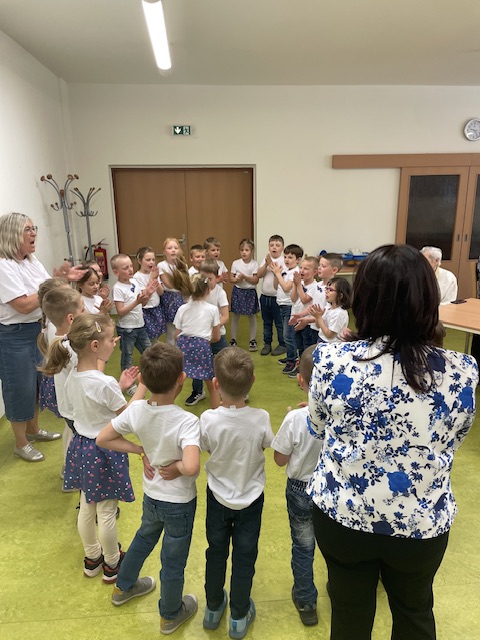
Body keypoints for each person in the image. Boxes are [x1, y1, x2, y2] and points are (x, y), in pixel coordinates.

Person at [307, 244, 478, 640]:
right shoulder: (462, 371)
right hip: (421, 521)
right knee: (414, 612)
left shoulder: (331, 360)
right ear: (428, 299)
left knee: (348, 616)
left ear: (364, 299)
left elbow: (317, 426)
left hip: (344, 513)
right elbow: (455, 436)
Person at [96, 342, 201, 635]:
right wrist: (177, 466)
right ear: (181, 379)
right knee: (173, 559)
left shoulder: (136, 410)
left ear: (142, 378)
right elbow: (192, 466)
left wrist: (139, 449)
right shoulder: (187, 421)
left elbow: (103, 438)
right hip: (179, 502)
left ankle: (123, 587)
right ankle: (170, 613)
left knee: (144, 537)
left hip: (152, 495)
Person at [43, 313, 145, 582]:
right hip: (105, 450)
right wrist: (141, 388)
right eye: (111, 339)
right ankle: (112, 563)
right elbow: (126, 418)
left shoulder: (73, 377)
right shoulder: (104, 383)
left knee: (87, 505)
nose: (115, 342)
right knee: (107, 511)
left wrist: (119, 387)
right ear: (95, 346)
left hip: (81, 447)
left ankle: (92, 558)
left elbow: (93, 405)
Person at [200, 348, 274, 640]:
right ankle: (238, 617)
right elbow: (268, 443)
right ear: (252, 381)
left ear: (215, 384)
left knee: (215, 552)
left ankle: (213, 608)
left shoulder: (208, 418)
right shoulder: (260, 417)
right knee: (245, 557)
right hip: (250, 499)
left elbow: (205, 446)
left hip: (217, 497)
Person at [0, 212, 85, 462]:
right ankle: (21, 442)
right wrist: (53, 285)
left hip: (37, 329)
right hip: (14, 335)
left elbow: (49, 290)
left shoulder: (31, 261)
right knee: (19, 388)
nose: (34, 233)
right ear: (12, 234)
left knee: (37, 384)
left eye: (33, 228)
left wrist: (60, 280)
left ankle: (33, 430)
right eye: (27, 229)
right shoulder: (4, 266)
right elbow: (23, 305)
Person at [271, 345, 322, 627]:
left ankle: (305, 600)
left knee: (303, 546)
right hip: (331, 489)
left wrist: (290, 417)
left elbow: (279, 460)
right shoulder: (342, 415)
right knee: (335, 545)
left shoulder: (295, 419)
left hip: (300, 489)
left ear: (300, 380)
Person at [38, 285, 85, 484]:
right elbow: (87, 373)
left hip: (69, 405)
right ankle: (72, 475)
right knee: (79, 441)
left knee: (72, 435)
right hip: (76, 406)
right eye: (83, 309)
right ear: (71, 318)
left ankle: (69, 472)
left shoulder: (61, 338)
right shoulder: (68, 347)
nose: (86, 312)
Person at [111, 253, 157, 395]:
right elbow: (120, 311)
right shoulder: (118, 288)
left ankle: (153, 377)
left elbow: (143, 303)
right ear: (116, 272)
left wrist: (148, 293)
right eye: (125, 268)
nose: (130, 269)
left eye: (131, 266)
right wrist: (137, 301)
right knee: (128, 357)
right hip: (127, 330)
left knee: (149, 352)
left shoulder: (135, 283)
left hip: (140, 326)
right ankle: (129, 384)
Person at [186, 259, 229, 407]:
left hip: (217, 335)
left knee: (224, 362)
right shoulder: (195, 294)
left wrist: (213, 327)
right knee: (197, 364)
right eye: (204, 278)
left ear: (217, 278)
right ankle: (198, 391)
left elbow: (225, 316)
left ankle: (229, 389)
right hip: (200, 336)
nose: (207, 282)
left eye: (210, 279)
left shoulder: (220, 293)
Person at [173, 276, 221, 409]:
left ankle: (165, 407)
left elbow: (176, 335)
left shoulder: (182, 308)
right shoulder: (212, 309)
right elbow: (217, 336)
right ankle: (216, 412)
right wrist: (205, 341)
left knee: (178, 381)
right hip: (202, 346)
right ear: (208, 290)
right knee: (211, 384)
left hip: (183, 346)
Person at [269, 244, 303, 374]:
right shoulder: (285, 270)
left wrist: (278, 274)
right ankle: (290, 356)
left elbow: (286, 287)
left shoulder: (295, 272)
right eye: (285, 257)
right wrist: (276, 274)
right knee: (286, 334)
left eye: (290, 257)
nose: (287, 259)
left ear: (298, 260)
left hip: (290, 307)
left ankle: (292, 360)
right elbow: (275, 286)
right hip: (282, 305)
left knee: (288, 335)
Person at [289, 255, 319, 376]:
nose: (302, 271)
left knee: (307, 346)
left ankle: (306, 369)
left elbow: (304, 299)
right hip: (297, 319)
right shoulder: (299, 283)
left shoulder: (315, 286)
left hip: (307, 322)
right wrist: (295, 284)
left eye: (306, 269)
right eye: (301, 267)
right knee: (299, 345)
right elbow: (293, 298)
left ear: (315, 272)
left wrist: (298, 285)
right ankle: (300, 365)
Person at [157, 238, 191, 344]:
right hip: (169, 299)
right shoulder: (161, 265)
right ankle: (171, 351)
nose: (173, 250)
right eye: (169, 248)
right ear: (164, 251)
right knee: (171, 330)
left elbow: (186, 282)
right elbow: (168, 283)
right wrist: (180, 283)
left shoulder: (183, 265)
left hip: (182, 296)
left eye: (176, 248)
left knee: (183, 327)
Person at [256, 234, 286, 356]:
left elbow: (279, 278)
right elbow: (259, 275)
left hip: (277, 298)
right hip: (265, 297)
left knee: (279, 323)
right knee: (266, 322)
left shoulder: (283, 261)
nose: (274, 247)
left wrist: (272, 266)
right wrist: (266, 264)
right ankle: (267, 344)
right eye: (271, 245)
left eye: (277, 245)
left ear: (282, 248)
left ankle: (282, 344)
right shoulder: (266, 259)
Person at [229, 239, 259, 352]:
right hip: (238, 291)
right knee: (235, 315)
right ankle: (233, 339)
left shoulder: (254, 264)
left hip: (250, 292)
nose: (244, 252)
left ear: (252, 251)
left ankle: (252, 340)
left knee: (252, 316)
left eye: (246, 250)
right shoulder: (236, 263)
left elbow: (255, 280)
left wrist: (245, 277)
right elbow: (231, 279)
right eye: (242, 250)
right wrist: (237, 280)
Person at [132, 246, 166, 341]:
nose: (151, 262)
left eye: (153, 260)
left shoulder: (153, 273)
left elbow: (161, 292)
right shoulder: (137, 277)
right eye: (148, 260)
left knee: (156, 335)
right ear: (139, 261)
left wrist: (155, 279)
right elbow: (145, 296)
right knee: (149, 337)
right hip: (146, 311)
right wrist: (152, 278)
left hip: (156, 308)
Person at [309, 276, 351, 343]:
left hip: (331, 344)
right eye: (326, 288)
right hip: (321, 340)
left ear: (340, 296)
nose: (326, 292)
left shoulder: (339, 313)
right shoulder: (328, 307)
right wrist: (318, 316)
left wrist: (319, 317)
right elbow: (318, 326)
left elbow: (329, 335)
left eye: (330, 290)